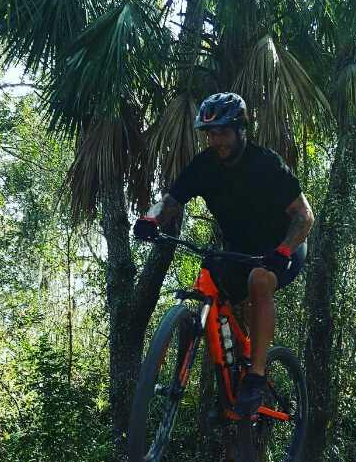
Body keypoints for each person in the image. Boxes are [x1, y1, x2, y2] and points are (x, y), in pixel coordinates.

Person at [133, 92, 314, 418]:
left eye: (223, 132)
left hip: (283, 248)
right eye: (211, 133)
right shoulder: (204, 166)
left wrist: (283, 250)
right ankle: (233, 371)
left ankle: (256, 375)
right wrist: (150, 218)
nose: (217, 140)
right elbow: (170, 201)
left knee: (259, 280)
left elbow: (304, 216)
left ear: (241, 129)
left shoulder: (266, 163)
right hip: (238, 251)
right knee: (211, 284)